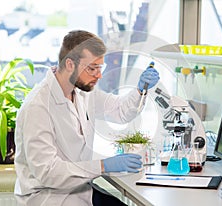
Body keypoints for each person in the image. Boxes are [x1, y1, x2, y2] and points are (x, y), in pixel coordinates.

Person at [14, 30, 160, 206]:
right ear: (69, 64)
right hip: (48, 197)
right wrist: (103, 166)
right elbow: (48, 172)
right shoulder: (38, 106)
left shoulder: (82, 92)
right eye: (92, 68)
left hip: (80, 190)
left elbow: (120, 111)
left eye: (100, 67)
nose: (98, 75)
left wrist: (140, 89)